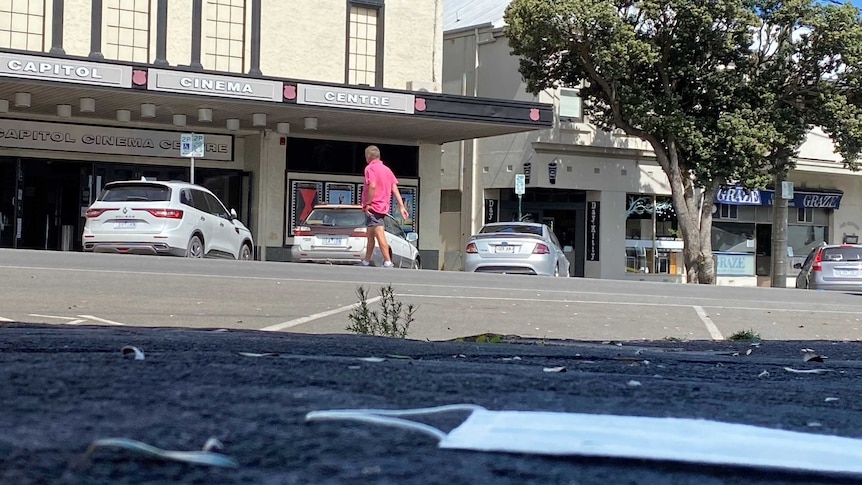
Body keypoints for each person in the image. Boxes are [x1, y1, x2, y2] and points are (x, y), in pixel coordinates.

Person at [360, 145, 409, 267]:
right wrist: (401, 206)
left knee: (379, 233)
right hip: (382, 206)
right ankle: (366, 260)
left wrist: (368, 203)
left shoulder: (369, 168)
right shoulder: (387, 170)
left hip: (374, 207)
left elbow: (372, 185)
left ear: (369, 156)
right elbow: (394, 188)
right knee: (370, 235)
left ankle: (388, 261)